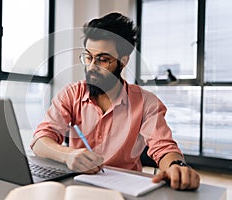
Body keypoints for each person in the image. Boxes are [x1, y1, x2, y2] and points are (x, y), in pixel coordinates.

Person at [31, 12, 200, 190]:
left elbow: (164, 148)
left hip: (124, 189)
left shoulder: (146, 103)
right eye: (88, 57)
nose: (92, 66)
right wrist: (68, 154)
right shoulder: (71, 94)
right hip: (78, 185)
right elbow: (41, 140)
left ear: (123, 61)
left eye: (103, 60)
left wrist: (177, 168)